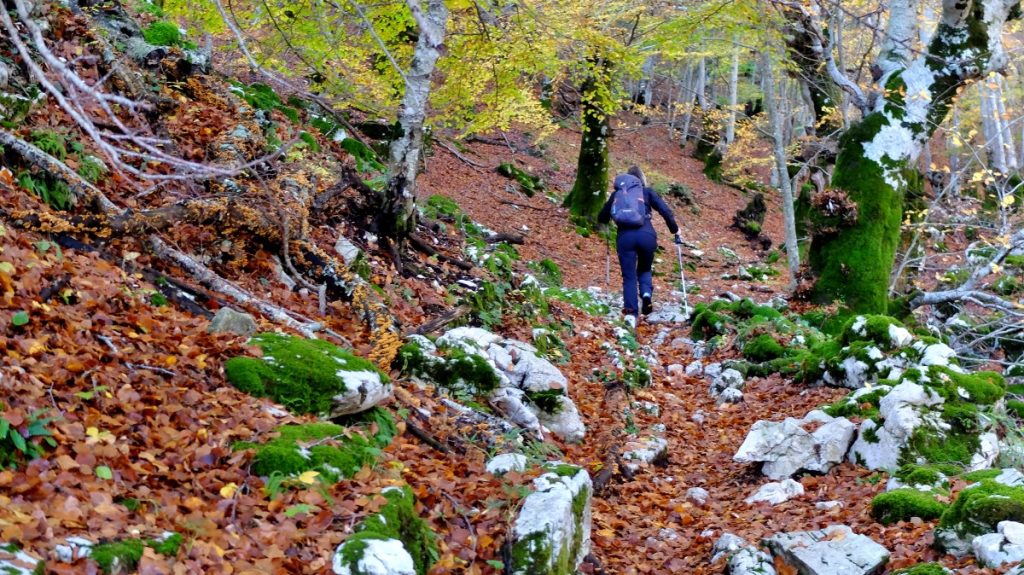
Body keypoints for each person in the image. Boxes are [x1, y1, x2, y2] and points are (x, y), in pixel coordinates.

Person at [598, 165, 680, 326]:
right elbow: (666, 211)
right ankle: (647, 294)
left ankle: (631, 314)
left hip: (625, 238)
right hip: (647, 235)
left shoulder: (618, 194)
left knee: (629, 276)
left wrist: (607, 220)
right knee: (645, 268)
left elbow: (602, 217)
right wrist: (675, 230)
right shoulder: (647, 192)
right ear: (641, 179)